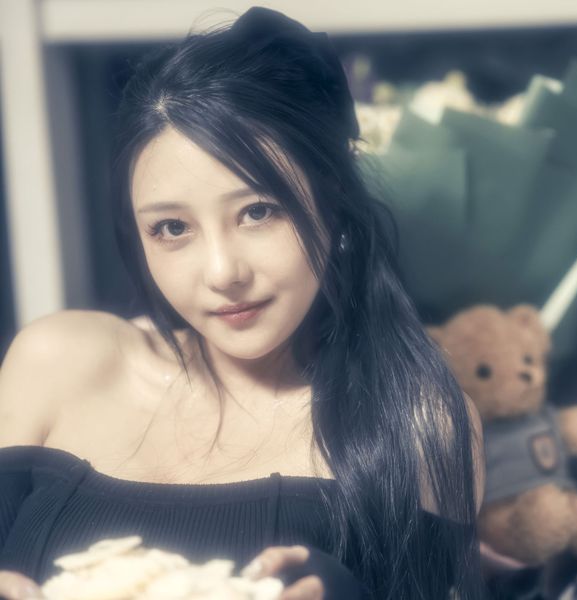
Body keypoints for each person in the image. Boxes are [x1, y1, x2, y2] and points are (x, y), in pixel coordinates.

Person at [0, 6, 486, 599]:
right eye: (172, 228)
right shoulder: (58, 362)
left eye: (259, 212)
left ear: (333, 206)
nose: (223, 272)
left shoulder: (415, 423)